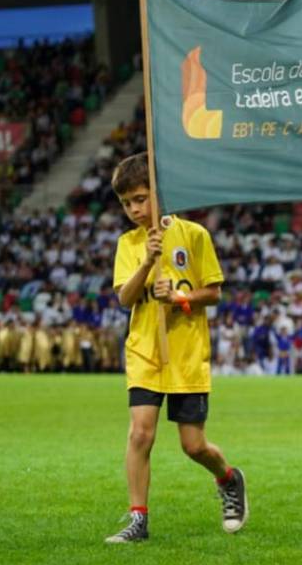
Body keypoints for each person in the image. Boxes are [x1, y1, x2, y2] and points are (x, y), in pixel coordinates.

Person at [104, 153, 246, 543]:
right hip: (145, 350)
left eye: (140, 198)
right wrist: (148, 263)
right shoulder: (128, 244)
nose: (134, 209)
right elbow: (125, 298)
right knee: (140, 434)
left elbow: (214, 293)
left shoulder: (194, 235)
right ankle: (138, 519)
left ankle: (229, 479)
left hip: (185, 352)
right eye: (127, 202)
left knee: (193, 445)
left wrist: (181, 299)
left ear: (159, 194)